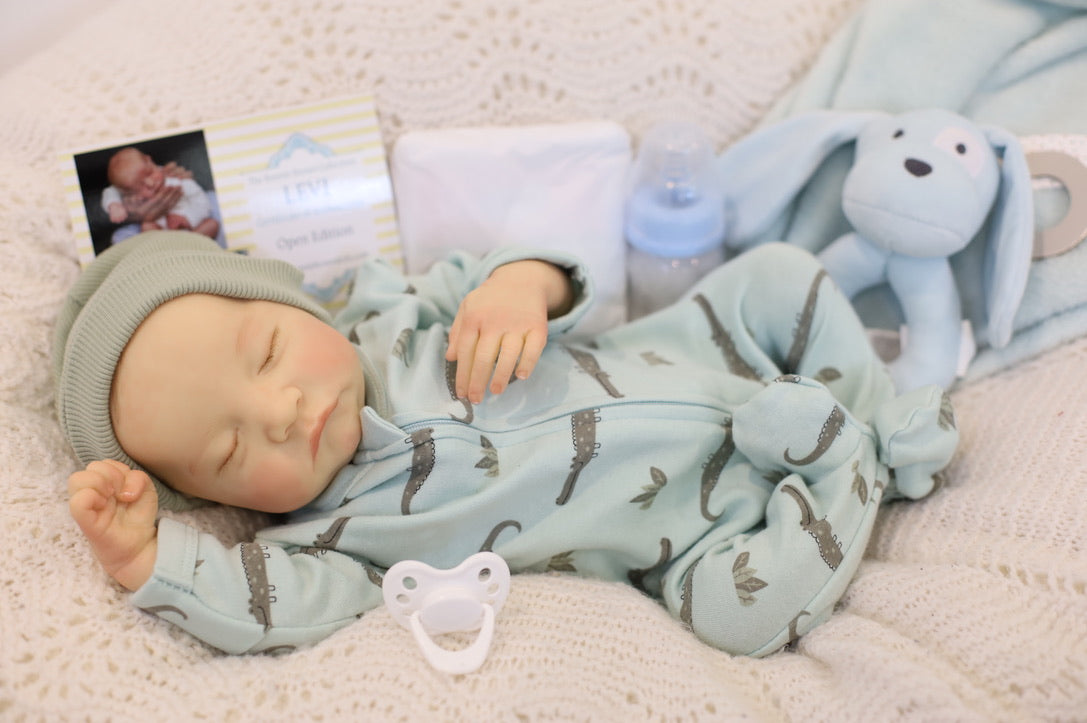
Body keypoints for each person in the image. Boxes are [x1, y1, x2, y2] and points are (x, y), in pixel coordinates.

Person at [53, 231, 957, 657]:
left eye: (266, 353)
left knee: (778, 275)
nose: (280, 411)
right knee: (738, 621)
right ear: (222, 500)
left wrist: (519, 288)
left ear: (292, 303)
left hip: (699, 351)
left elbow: (536, 270)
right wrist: (148, 562)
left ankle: (875, 412)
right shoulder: (330, 543)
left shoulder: (398, 311)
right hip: (697, 533)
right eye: (228, 450)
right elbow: (264, 604)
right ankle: (842, 464)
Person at [100, 148, 220, 239]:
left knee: (212, 224)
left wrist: (188, 219)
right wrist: (114, 206)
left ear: (150, 160)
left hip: (192, 228)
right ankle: (166, 250)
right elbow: (110, 192)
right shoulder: (128, 189)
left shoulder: (174, 178)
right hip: (162, 233)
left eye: (150, 173)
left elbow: (201, 201)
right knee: (147, 226)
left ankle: (189, 247)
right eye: (140, 185)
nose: (151, 183)